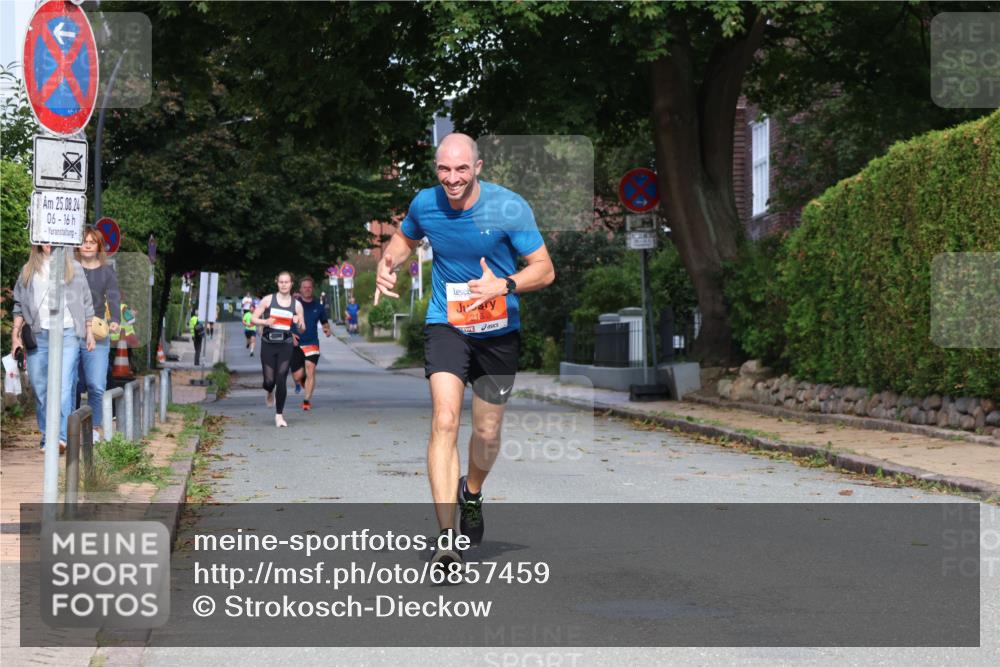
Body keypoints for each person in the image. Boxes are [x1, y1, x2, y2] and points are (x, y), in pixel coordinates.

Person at [374, 133, 554, 568]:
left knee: (487, 433)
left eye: (460, 169)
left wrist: (504, 284)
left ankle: (470, 491)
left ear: (478, 167)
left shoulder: (509, 207)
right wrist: (388, 261)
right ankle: (446, 540)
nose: (452, 178)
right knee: (445, 419)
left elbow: (544, 270)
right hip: (447, 324)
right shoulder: (425, 203)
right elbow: (405, 238)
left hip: (498, 329)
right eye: (443, 169)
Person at [11, 245, 96, 453]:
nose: (49, 242)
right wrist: (15, 335)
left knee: (64, 387)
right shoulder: (28, 269)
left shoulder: (73, 268)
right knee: (41, 389)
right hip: (38, 335)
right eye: (44, 238)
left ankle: (60, 438)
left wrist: (89, 332)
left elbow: (86, 302)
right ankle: (46, 434)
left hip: (67, 333)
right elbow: (19, 305)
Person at [74, 227, 121, 442]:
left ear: (98, 246)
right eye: (84, 241)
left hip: (97, 332)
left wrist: (115, 322)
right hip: (71, 331)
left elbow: (113, 298)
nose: (87, 245)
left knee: (96, 384)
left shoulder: (106, 272)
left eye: (92, 242)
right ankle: (68, 430)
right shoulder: (70, 270)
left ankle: (93, 429)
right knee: (70, 383)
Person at [250, 271, 305, 427]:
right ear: (277, 283)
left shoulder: (297, 304)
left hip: (285, 344)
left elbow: (302, 329)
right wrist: (265, 321)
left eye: (286, 282)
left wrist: (298, 321)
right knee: (269, 381)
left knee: (281, 378)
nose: (284, 284)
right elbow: (253, 318)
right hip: (268, 343)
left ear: (291, 283)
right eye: (281, 282)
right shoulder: (268, 300)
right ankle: (269, 391)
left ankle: (279, 415)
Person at [290, 276, 332, 411]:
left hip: (312, 343)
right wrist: (290, 334)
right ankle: (302, 382)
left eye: (309, 287)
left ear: (312, 289)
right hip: (295, 344)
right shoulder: (293, 305)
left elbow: (324, 322)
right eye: (304, 287)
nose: (307, 289)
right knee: (297, 376)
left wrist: (327, 329)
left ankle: (306, 400)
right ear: (300, 289)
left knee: (310, 369)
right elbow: (284, 322)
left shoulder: (318, 307)